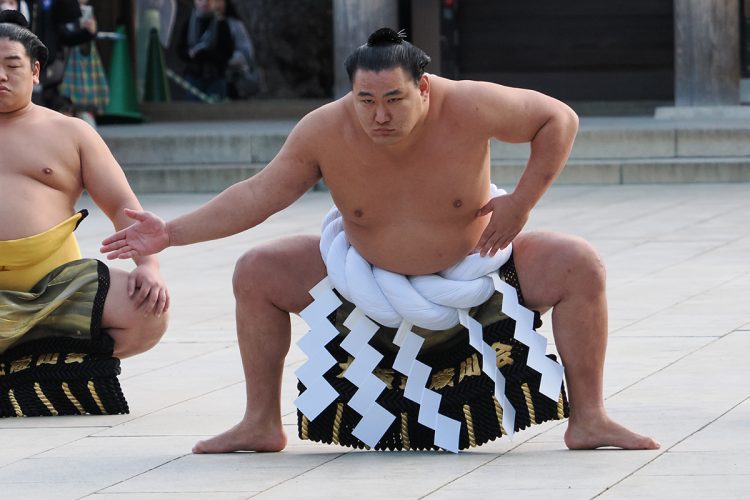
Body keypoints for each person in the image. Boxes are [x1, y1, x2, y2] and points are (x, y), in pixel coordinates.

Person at [102, 28, 660, 453]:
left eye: (393, 99)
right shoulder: (324, 128)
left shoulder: (469, 104)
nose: (379, 115)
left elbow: (558, 120)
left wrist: (521, 203)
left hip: (479, 269)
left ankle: (589, 418)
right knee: (257, 271)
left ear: (423, 86)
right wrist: (171, 232)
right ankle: (260, 423)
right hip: (362, 280)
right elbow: (258, 194)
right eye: (365, 100)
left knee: (579, 264)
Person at [0, 10, 168, 359]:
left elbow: (124, 206)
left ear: (35, 71)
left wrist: (148, 267)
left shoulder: (72, 132)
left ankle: (47, 357)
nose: (1, 76)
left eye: (12, 65)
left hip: (55, 285)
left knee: (149, 310)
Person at [175, 0, 233, 101]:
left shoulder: (221, 24)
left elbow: (228, 51)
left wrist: (208, 54)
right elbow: (180, 48)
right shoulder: (188, 23)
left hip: (216, 77)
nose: (205, 2)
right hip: (194, 77)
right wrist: (190, 54)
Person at [211, 0, 259, 99]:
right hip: (209, 76)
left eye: (219, 1)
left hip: (233, 75)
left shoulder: (235, 25)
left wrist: (228, 61)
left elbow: (246, 51)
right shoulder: (200, 23)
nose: (215, 5)